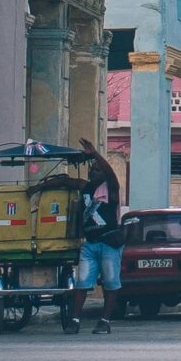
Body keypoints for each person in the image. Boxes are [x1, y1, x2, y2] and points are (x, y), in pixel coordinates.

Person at [62, 140, 125, 334]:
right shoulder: (86, 188)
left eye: (97, 169)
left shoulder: (111, 189)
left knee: (110, 283)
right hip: (90, 244)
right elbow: (66, 181)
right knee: (82, 283)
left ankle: (105, 321)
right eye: (91, 168)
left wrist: (96, 154)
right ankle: (74, 319)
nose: (92, 171)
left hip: (109, 243)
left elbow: (111, 174)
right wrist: (38, 188)